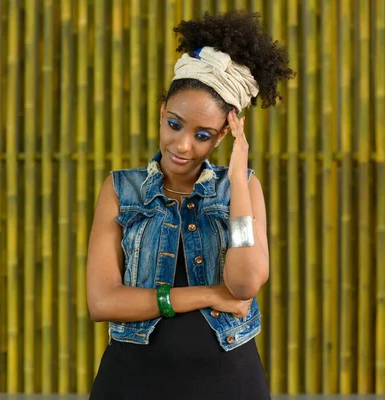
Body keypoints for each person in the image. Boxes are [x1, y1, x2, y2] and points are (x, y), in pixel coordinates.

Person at [86, 10, 295, 399]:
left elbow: (245, 283)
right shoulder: (121, 189)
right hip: (131, 384)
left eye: (202, 134)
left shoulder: (242, 188)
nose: (183, 145)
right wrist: (207, 295)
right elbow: (102, 301)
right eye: (175, 124)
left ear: (222, 137)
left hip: (230, 384)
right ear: (163, 110)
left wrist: (235, 180)